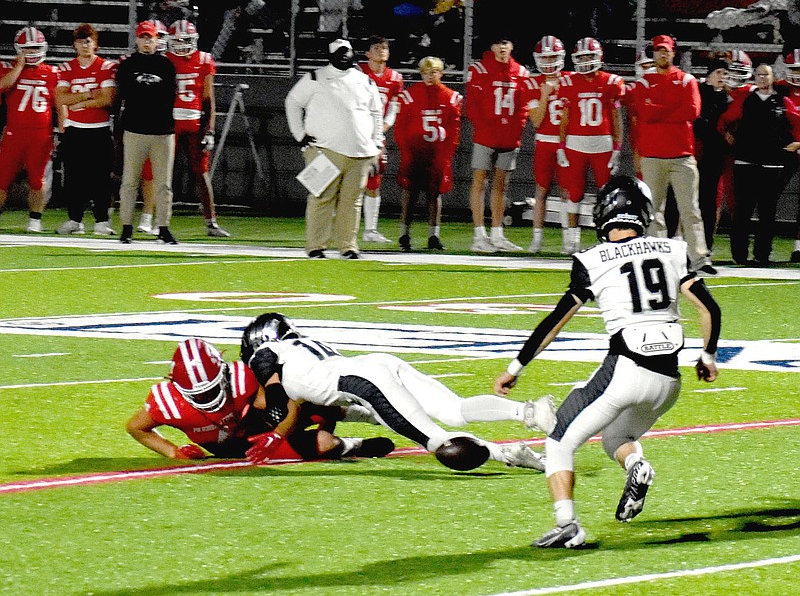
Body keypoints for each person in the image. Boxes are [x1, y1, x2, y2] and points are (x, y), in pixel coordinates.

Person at [494, 175, 722, 548]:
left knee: (559, 443)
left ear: (603, 215)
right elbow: (709, 307)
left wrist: (515, 368)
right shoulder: (673, 250)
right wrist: (708, 356)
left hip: (626, 369)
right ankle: (636, 465)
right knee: (617, 436)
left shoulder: (591, 259)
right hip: (668, 382)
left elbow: (555, 322)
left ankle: (567, 524)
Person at [240, 312, 557, 471]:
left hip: (365, 383)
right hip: (376, 367)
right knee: (454, 410)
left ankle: (501, 453)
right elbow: (328, 404)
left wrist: (275, 433)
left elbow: (276, 392)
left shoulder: (265, 354)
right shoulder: (300, 349)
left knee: (438, 442)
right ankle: (528, 414)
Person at [126, 337, 396, 462]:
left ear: (222, 374)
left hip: (258, 427)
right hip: (234, 448)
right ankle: (354, 445)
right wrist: (172, 450)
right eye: (199, 394)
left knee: (309, 398)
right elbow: (136, 427)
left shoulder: (241, 379)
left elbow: (292, 404)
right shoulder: (169, 403)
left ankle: (363, 413)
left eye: (210, 389)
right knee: (325, 444)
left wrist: (277, 435)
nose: (208, 398)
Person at [284, 38, 384, 260]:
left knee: (353, 201)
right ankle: (316, 246)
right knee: (321, 197)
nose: (344, 56)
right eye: (340, 52)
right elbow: (292, 102)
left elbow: (376, 112)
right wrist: (299, 134)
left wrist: (376, 143)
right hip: (323, 149)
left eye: (347, 52)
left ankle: (348, 246)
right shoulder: (314, 77)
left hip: (360, 152)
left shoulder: (365, 81)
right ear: (330, 56)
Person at [625, 34, 715, 275]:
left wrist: (659, 109)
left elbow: (692, 111)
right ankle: (658, 256)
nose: (662, 54)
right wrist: (672, 109)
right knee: (654, 209)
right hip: (653, 154)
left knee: (691, 209)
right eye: (658, 50)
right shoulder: (644, 82)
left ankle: (699, 258)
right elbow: (645, 113)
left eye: (666, 50)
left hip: (682, 154)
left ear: (673, 53)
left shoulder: (686, 80)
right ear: (653, 53)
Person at [718, 64, 800, 266]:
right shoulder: (745, 100)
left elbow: (797, 121)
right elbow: (724, 121)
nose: (762, 78)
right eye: (759, 75)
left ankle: (762, 255)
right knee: (743, 210)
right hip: (745, 162)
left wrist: (797, 143)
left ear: (773, 78)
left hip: (772, 163)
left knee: (767, 211)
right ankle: (739, 255)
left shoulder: (782, 101)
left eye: (766, 75)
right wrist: (729, 137)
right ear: (754, 77)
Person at [465, 36, 534, 253]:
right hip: (486, 136)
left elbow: (523, 107)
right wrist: (487, 127)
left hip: (508, 137)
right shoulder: (479, 69)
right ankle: (479, 234)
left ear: (512, 46)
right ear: (491, 46)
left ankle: (497, 233)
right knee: (479, 183)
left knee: (501, 186)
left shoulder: (521, 72)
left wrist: (515, 129)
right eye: (497, 43)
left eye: (505, 43)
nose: (502, 47)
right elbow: (472, 106)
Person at [557, 37, 625, 255]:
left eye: (589, 56)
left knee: (606, 195)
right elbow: (565, 117)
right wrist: (561, 145)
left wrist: (617, 148)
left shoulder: (611, 82)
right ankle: (571, 239)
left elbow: (616, 118)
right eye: (582, 57)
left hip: (602, 144)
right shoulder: (568, 82)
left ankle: (607, 236)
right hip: (576, 143)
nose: (586, 61)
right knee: (574, 193)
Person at [162, 19, 229, 237]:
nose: (181, 44)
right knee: (163, 174)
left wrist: (210, 130)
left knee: (201, 174)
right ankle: (158, 221)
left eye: (185, 40)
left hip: (194, 122)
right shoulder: (165, 59)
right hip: (169, 123)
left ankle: (211, 222)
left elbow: (209, 99)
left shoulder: (204, 60)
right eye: (178, 40)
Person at [113, 20, 178, 245]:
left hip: (162, 131)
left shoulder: (166, 65)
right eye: (143, 37)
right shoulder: (127, 65)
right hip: (135, 129)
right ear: (137, 39)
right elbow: (120, 96)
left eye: (150, 37)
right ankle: (126, 227)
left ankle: (164, 227)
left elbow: (169, 96)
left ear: (156, 40)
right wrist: (117, 131)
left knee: (164, 183)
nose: (147, 41)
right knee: (130, 181)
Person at [54, 23, 117, 237]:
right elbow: (61, 98)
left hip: (99, 129)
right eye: (81, 41)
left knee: (100, 178)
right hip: (75, 130)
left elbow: (107, 99)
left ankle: (101, 221)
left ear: (95, 44)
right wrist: (89, 95)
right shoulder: (66, 68)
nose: (85, 45)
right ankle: (75, 220)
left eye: (88, 41)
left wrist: (78, 102)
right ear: (74, 45)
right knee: (74, 178)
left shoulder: (105, 66)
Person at [394, 56, 462, 251]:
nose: (429, 76)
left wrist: (447, 153)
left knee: (435, 195)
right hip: (415, 153)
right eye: (425, 72)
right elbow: (401, 127)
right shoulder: (411, 95)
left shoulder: (450, 97)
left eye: (433, 72)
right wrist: (406, 150)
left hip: (437, 153)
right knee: (410, 194)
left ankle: (434, 235)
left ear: (440, 73)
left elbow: (454, 129)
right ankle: (404, 234)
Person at [0, 27, 59, 233]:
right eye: (28, 49)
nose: (32, 52)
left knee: (37, 178)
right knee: (2, 178)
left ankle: (35, 219)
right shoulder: (7, 68)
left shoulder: (52, 72)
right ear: (19, 49)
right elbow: (2, 86)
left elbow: (59, 103)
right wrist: (19, 67)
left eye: (36, 48)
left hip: (41, 134)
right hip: (14, 132)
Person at [356, 35, 405, 244]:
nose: (381, 51)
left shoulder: (395, 78)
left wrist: (380, 130)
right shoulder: (357, 72)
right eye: (376, 48)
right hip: (354, 132)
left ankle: (370, 230)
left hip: (375, 135)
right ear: (367, 53)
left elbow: (393, 109)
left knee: (374, 181)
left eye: (384, 48)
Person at [527, 35, 571, 254]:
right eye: (544, 58)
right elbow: (536, 120)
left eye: (552, 57)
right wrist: (544, 95)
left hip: (566, 143)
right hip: (544, 141)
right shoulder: (532, 83)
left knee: (567, 192)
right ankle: (537, 240)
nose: (548, 62)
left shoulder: (571, 80)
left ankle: (568, 240)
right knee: (541, 191)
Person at [693, 59, 731, 253]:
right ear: (709, 74)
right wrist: (719, 131)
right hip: (696, 154)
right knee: (691, 202)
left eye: (725, 73)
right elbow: (697, 122)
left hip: (715, 156)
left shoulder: (726, 97)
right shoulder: (698, 92)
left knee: (710, 202)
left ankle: (706, 244)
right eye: (718, 72)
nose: (722, 77)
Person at [778, 48, 800, 262]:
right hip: (784, 150)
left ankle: (798, 246)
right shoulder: (780, 89)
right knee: (768, 194)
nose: (798, 74)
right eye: (794, 70)